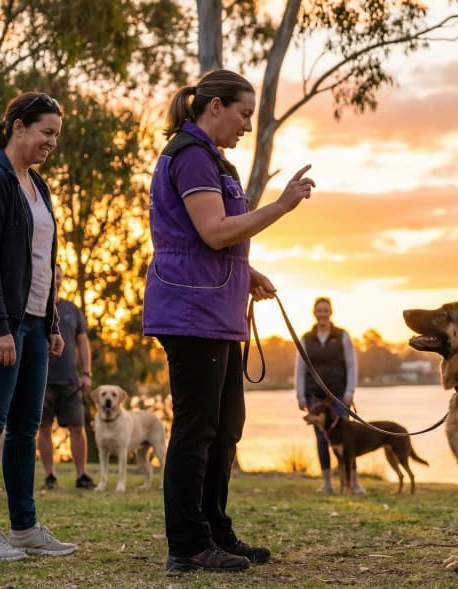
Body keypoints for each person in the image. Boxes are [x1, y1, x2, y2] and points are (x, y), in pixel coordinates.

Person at [143, 69, 315, 575]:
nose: (246, 125)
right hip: (191, 313)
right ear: (214, 107)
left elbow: (212, 240)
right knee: (197, 429)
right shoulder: (192, 156)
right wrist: (282, 205)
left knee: (225, 429)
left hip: (216, 312)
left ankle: (216, 531)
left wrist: (249, 270)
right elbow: (215, 232)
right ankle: (188, 544)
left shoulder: (216, 162)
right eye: (243, 114)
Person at [0, 92, 77, 561]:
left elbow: (43, 261)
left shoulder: (36, 184)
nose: (51, 142)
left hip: (34, 321)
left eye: (56, 136)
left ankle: (24, 529)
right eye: (46, 132)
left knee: (25, 427)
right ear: (18, 127)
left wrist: (52, 320)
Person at [38, 264, 95, 490]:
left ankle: (82, 475)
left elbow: (83, 343)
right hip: (43, 381)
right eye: (53, 276)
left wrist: (87, 373)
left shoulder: (72, 310)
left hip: (71, 381)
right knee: (43, 429)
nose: (56, 280)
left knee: (77, 428)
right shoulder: (36, 309)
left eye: (60, 277)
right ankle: (50, 476)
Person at [294, 297, 360, 493]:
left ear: (331, 312)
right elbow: (300, 368)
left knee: (347, 439)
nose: (322, 314)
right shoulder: (306, 338)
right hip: (314, 397)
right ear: (314, 313)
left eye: (325, 310)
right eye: (319, 310)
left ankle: (354, 483)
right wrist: (300, 395)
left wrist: (349, 392)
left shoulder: (342, 336)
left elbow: (351, 364)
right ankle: (327, 483)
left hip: (339, 395)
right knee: (322, 439)